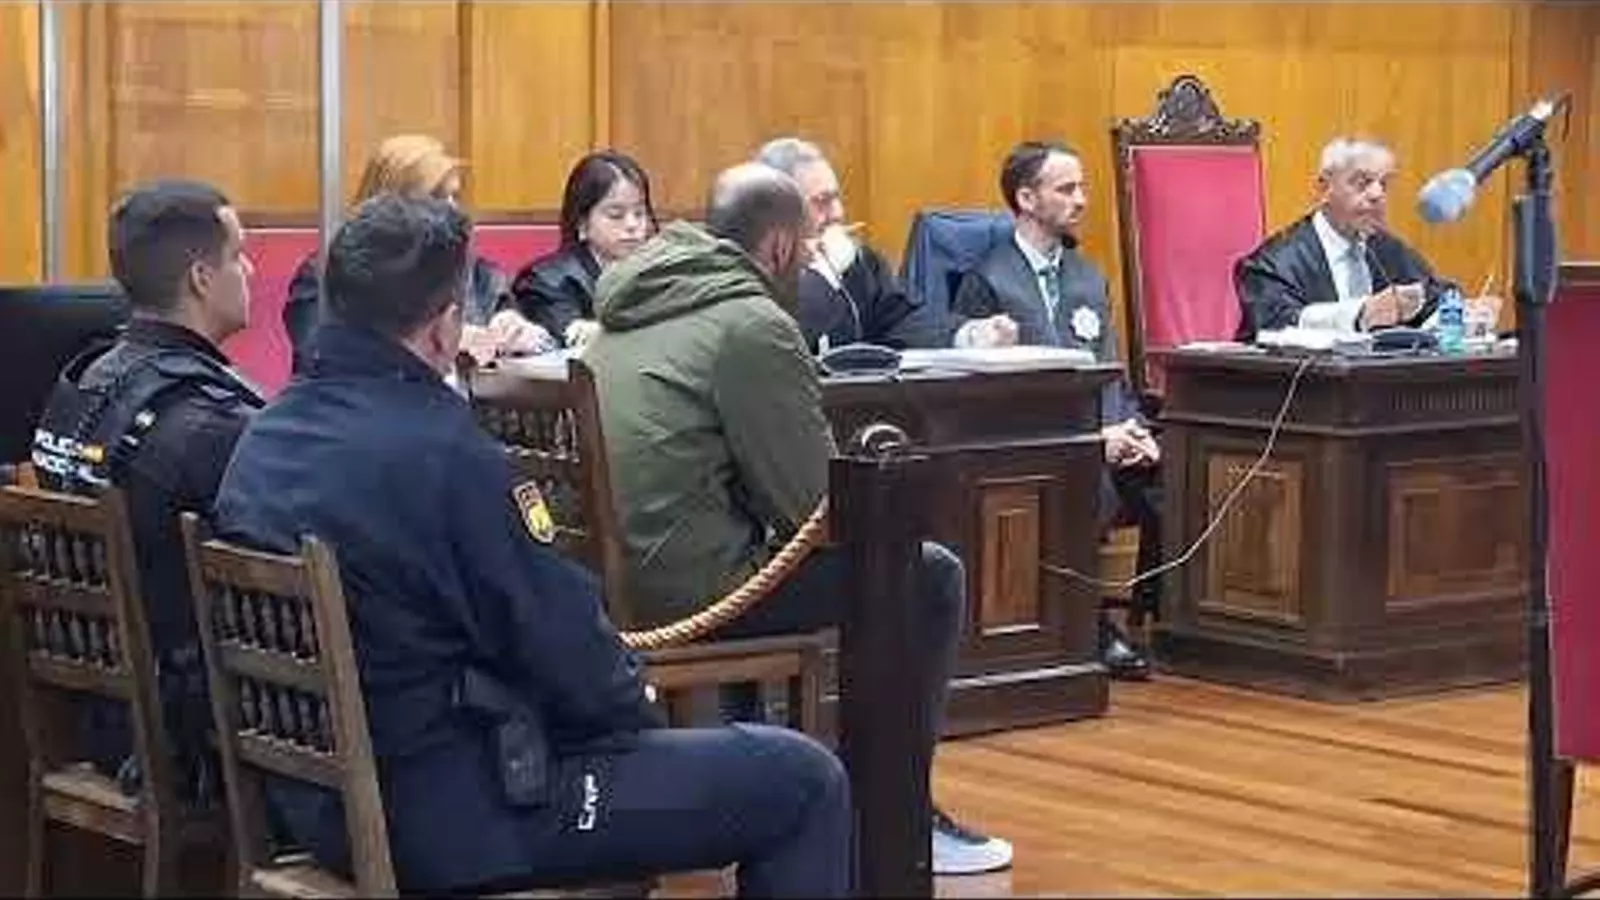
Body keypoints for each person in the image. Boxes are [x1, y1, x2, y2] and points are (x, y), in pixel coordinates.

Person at [213, 193, 850, 896]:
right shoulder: (445, 456)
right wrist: (636, 718)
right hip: (460, 816)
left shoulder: (263, 439)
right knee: (802, 779)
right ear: (444, 325)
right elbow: (565, 652)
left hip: (317, 810)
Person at [583, 162, 1014, 876]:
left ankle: (787, 788)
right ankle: (894, 814)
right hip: (694, 595)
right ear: (781, 246)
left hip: (613, 586)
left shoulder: (630, 305)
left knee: (799, 552)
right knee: (922, 573)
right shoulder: (750, 323)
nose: (813, 267)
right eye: (810, 248)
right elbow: (816, 507)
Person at [30, 179, 264, 801]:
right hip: (187, 740)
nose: (250, 269)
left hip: (93, 711)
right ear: (201, 279)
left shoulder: (79, 381)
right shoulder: (211, 426)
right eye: (238, 255)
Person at [950, 140, 1159, 680]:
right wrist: (1092, 440)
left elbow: (1109, 369)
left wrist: (1128, 427)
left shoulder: (1088, 276)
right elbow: (982, 395)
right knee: (1078, 479)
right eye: (1066, 189)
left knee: (1172, 473)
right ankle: (1084, 624)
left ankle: (1170, 619)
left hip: (1100, 431)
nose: (1081, 200)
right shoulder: (987, 279)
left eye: (1082, 187)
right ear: (1026, 198)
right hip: (1022, 441)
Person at [283, 134, 552, 370]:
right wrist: (443, 344)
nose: (453, 211)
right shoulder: (324, 276)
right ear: (389, 205)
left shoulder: (477, 272)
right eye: (436, 198)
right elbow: (321, 360)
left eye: (455, 197)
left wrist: (517, 331)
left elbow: (540, 343)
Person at [1234, 137, 1503, 340]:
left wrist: (1463, 314)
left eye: (1384, 184)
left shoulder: (1388, 250)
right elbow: (1275, 328)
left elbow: (1432, 298)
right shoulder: (1272, 263)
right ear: (1324, 188)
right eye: (1362, 183)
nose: (1377, 195)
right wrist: (1361, 314)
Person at [754, 136, 942, 353]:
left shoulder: (855, 260)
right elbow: (780, 341)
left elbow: (901, 319)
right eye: (822, 202)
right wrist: (823, 277)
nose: (838, 213)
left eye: (837, 198)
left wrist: (966, 334)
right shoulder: (752, 272)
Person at [509, 150, 658, 350]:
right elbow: (568, 338)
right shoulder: (546, 283)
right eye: (616, 215)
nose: (632, 225)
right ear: (582, 223)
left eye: (639, 213)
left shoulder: (661, 273)